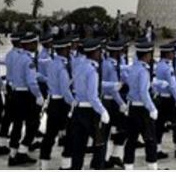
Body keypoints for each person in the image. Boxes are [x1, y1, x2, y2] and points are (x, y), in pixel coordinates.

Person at [68, 38, 110, 170]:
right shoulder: (92, 70)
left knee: (78, 147)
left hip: (78, 110)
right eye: (99, 51)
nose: (101, 54)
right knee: (100, 145)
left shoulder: (79, 66)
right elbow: (92, 97)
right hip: (91, 111)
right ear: (95, 52)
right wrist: (103, 111)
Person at [8, 32, 43, 167]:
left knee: (17, 125)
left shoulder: (18, 57)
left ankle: (12, 155)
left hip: (15, 93)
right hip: (26, 96)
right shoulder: (28, 60)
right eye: (34, 43)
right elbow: (31, 82)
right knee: (33, 124)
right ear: (28, 45)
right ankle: (22, 152)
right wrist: (38, 95)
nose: (36, 45)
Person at [92, 39, 128, 169]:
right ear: (116, 51)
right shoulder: (109, 65)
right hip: (109, 101)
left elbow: (123, 79)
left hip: (113, 101)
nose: (122, 52)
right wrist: (121, 104)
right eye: (121, 50)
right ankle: (100, 162)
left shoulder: (115, 64)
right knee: (104, 134)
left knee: (122, 130)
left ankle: (114, 156)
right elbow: (113, 89)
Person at [39, 37, 74, 170]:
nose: (69, 51)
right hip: (62, 104)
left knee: (49, 135)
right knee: (69, 135)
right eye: (68, 48)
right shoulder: (62, 67)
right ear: (64, 50)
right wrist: (73, 103)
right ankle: (65, 166)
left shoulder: (52, 63)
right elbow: (65, 91)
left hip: (53, 102)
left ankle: (44, 165)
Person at [123, 40, 158, 170]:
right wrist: (152, 108)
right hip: (142, 109)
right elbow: (143, 92)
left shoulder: (132, 68)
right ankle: (152, 167)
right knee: (150, 139)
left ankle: (128, 167)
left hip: (132, 107)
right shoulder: (143, 71)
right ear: (147, 55)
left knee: (131, 140)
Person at [153, 42, 176, 160]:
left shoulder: (159, 65)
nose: (173, 54)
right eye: (172, 52)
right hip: (169, 99)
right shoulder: (167, 67)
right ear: (167, 54)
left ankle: (157, 149)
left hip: (161, 98)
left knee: (159, 125)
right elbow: (172, 86)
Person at [0, 32, 23, 156]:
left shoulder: (10, 54)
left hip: (9, 86)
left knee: (8, 115)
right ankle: (14, 147)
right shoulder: (19, 56)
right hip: (16, 88)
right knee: (18, 118)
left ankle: (2, 144)